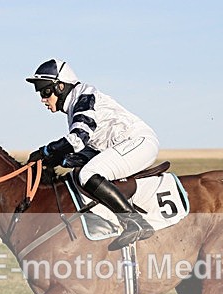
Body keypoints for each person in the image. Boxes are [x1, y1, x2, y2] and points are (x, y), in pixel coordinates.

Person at [26, 58, 160, 250]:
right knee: (78, 173)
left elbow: (77, 138)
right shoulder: (74, 106)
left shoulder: (84, 97)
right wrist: (57, 160)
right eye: (39, 92)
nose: (42, 98)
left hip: (138, 142)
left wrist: (46, 151)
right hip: (125, 145)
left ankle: (135, 223)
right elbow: (86, 152)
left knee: (87, 174)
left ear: (61, 87)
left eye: (45, 91)